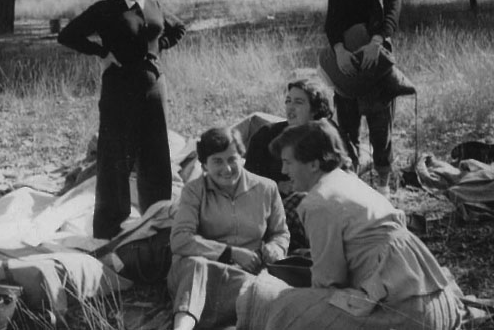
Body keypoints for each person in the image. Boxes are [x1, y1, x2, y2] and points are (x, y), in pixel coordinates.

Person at [236, 119, 462, 330]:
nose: (283, 171)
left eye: (288, 162)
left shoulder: (318, 201)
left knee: (283, 304)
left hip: (407, 312)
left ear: (313, 164)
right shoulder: (346, 180)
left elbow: (329, 281)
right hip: (439, 303)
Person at [57, 0, 186, 239]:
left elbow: (178, 29)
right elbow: (68, 35)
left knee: (155, 154)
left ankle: (157, 218)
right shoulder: (108, 8)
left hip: (153, 87)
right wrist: (102, 52)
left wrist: (157, 47)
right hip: (119, 89)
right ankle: (109, 226)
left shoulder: (153, 5)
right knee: (116, 155)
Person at [168, 127, 289, 330]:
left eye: (232, 159)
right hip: (200, 274)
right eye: (217, 161)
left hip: (244, 274)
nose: (227, 169)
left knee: (262, 290)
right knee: (196, 266)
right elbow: (180, 238)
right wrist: (229, 253)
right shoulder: (194, 191)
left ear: (242, 157)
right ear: (204, 165)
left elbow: (280, 233)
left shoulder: (266, 188)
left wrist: (274, 249)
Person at [324, 0, 402, 195]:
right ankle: (352, 182)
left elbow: (391, 16)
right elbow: (332, 23)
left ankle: (383, 184)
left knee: (381, 126)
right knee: (347, 125)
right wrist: (340, 52)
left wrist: (377, 43)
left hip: (376, 61)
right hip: (346, 62)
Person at [244, 78, 356, 251]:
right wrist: (277, 185)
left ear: (316, 109)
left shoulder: (330, 136)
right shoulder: (266, 135)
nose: (291, 107)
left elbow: (345, 177)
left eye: (299, 102)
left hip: (320, 207)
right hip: (271, 207)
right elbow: (249, 179)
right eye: (288, 101)